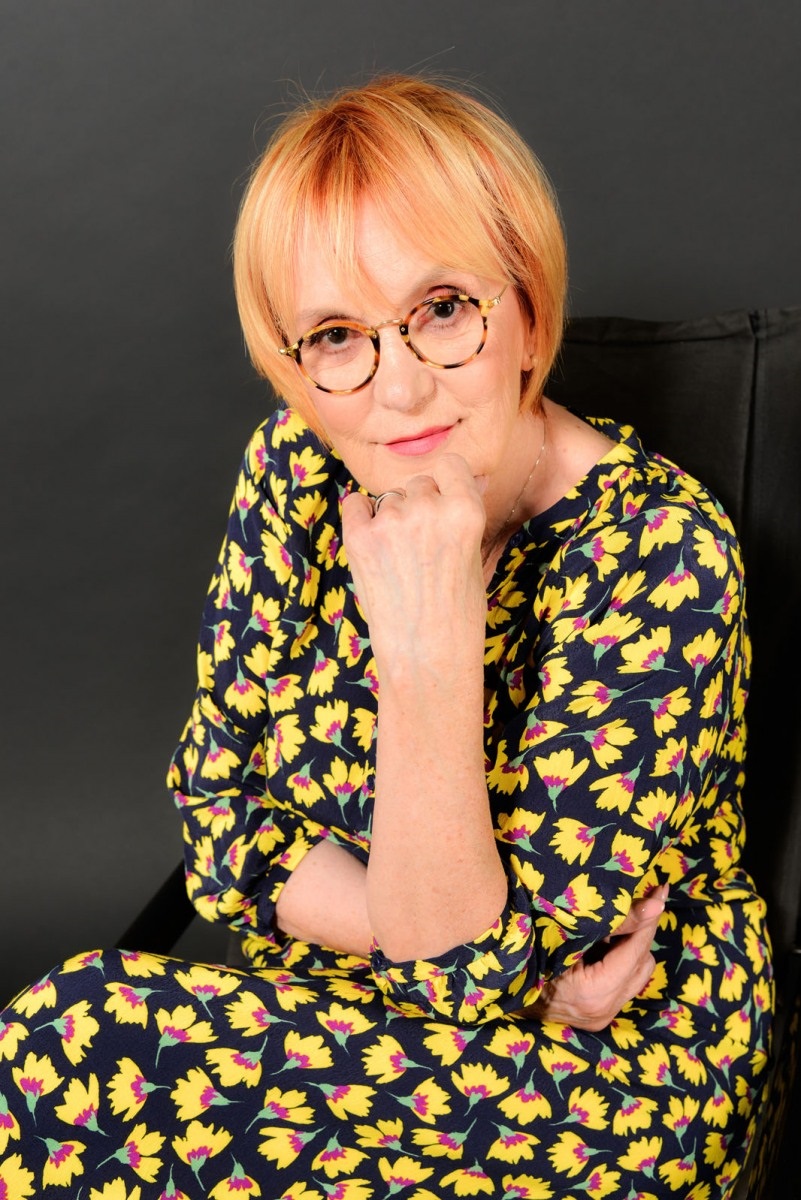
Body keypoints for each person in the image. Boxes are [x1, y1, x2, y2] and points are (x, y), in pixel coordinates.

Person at [0, 74, 773, 1199]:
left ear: (528, 311)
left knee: (73, 1040)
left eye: (443, 308)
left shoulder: (661, 554)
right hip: (341, 1023)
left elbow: (459, 981)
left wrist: (431, 646)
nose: (400, 388)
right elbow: (222, 826)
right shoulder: (295, 471)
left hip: (606, 1081)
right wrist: (490, 958)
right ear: (293, 370)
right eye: (335, 336)